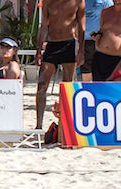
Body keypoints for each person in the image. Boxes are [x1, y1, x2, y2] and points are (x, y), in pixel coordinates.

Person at [34, 0, 84, 130]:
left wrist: (81, 51)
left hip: (69, 43)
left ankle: (65, 125)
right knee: (41, 84)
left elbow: (81, 27)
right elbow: (43, 25)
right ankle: (38, 125)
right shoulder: (48, 2)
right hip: (52, 43)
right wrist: (39, 49)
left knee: (67, 86)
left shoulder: (78, 1)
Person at [82, 0, 113, 81]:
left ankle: (100, 90)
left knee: (101, 68)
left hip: (99, 40)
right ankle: (88, 89)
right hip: (82, 40)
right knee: (86, 69)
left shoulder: (106, 1)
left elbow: (111, 20)